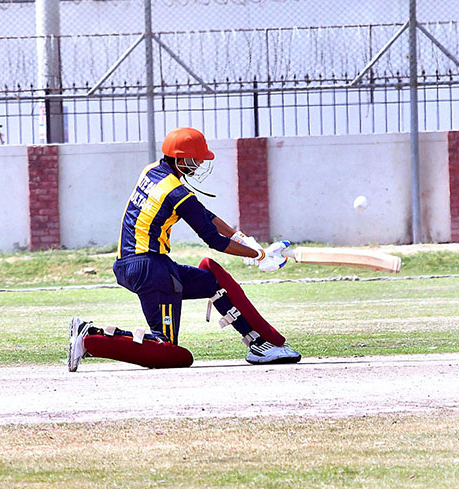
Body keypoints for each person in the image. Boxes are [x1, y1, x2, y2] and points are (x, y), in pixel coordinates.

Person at [68, 127, 301, 372]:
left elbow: (204, 215)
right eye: (197, 158)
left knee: (213, 283)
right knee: (169, 352)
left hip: (138, 264)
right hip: (150, 269)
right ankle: (89, 339)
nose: (200, 163)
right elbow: (214, 240)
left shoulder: (151, 170)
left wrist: (243, 239)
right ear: (181, 159)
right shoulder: (177, 193)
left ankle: (259, 345)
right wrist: (259, 256)